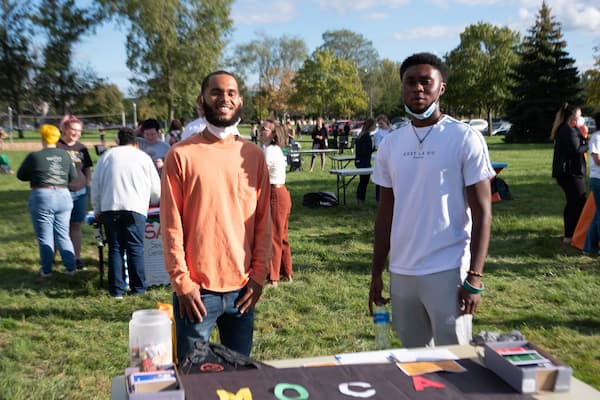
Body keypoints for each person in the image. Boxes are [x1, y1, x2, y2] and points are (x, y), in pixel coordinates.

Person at [368, 52, 495, 348]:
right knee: (414, 363)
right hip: (402, 271)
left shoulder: (464, 138)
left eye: (426, 82)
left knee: (456, 362)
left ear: (441, 88)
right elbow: (385, 214)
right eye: (410, 82)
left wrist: (474, 276)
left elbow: (483, 213)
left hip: (448, 269)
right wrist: (376, 272)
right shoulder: (390, 144)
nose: (418, 89)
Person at [160, 70, 271, 361]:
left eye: (231, 93)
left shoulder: (254, 156)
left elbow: (263, 222)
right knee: (195, 381)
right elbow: (171, 226)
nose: (224, 98)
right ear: (201, 101)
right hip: (197, 292)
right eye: (216, 92)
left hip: (243, 290)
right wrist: (182, 283)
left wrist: (259, 276)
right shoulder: (181, 154)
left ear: (240, 101)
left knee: (239, 379)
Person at [91, 127, 161, 299]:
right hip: (135, 207)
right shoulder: (143, 157)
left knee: (115, 248)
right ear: (136, 142)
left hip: (110, 206)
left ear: (117, 140)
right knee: (135, 248)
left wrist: (97, 209)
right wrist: (153, 200)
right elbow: (155, 189)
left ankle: (116, 290)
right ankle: (138, 289)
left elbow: (96, 185)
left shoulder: (106, 156)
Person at [17, 124, 78, 278]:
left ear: (42, 137)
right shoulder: (65, 155)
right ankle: (71, 268)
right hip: (64, 195)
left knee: (45, 236)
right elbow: (73, 176)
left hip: (42, 195)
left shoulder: (34, 156)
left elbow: (21, 175)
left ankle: (46, 270)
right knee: (63, 234)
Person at [259, 119, 293, 288]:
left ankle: (273, 278)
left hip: (275, 194)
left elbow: (260, 174)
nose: (260, 130)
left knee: (274, 236)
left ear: (272, 134)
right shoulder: (272, 149)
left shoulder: (270, 151)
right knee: (282, 236)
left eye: (264, 129)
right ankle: (287, 272)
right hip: (281, 193)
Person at [57, 115, 93, 270]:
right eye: (74, 130)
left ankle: (77, 258)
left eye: (79, 131)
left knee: (76, 225)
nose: (77, 133)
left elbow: (87, 169)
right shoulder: (57, 146)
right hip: (61, 192)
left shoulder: (82, 148)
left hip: (80, 192)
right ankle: (51, 259)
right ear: (65, 129)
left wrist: (88, 184)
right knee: (59, 226)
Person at [550, 103, 588, 244]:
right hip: (569, 173)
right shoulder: (567, 131)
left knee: (575, 202)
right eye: (578, 116)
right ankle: (570, 235)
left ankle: (572, 233)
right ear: (571, 117)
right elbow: (576, 149)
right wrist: (590, 143)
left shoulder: (569, 129)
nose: (580, 119)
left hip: (568, 172)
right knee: (576, 202)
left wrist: (584, 135)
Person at [583, 111, 600, 254]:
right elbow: (597, 159)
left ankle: (589, 247)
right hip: (598, 179)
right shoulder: (596, 137)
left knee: (598, 215)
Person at [354, 118, 375, 204]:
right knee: (364, 182)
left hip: (360, 161)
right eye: (374, 125)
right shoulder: (366, 136)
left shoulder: (362, 135)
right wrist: (374, 149)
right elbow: (366, 151)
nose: (375, 127)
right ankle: (360, 199)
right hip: (364, 162)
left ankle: (360, 198)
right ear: (370, 126)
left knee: (362, 181)